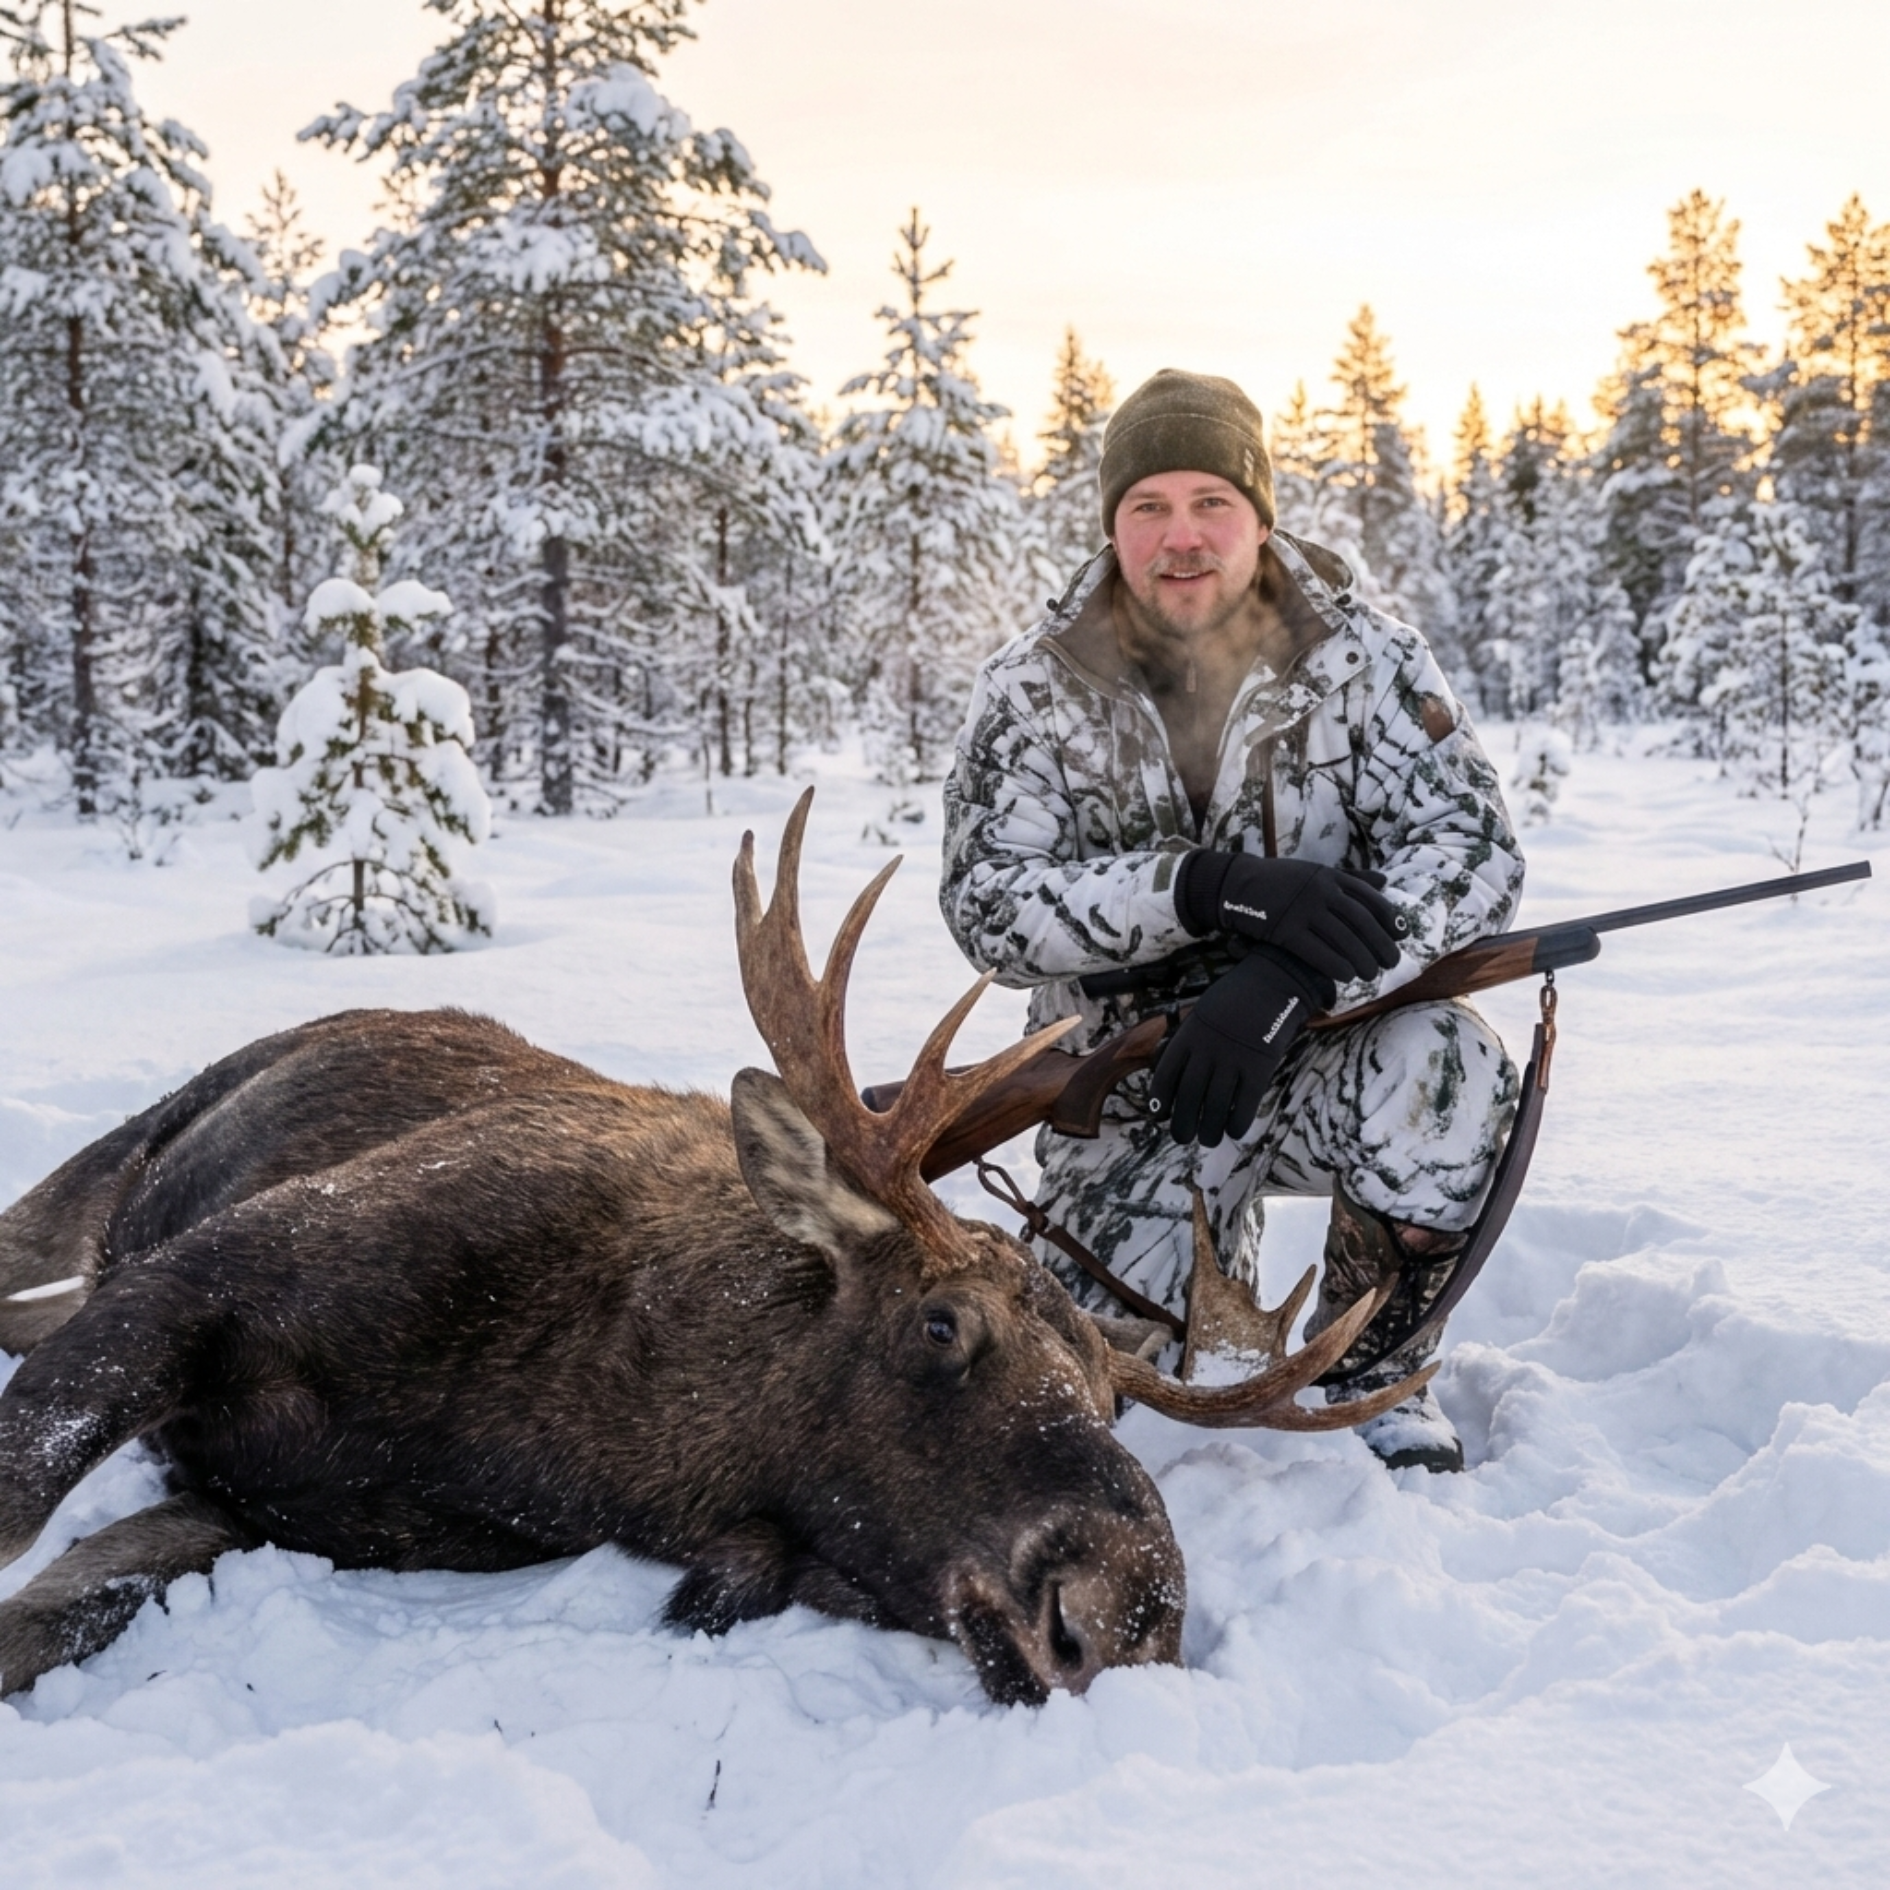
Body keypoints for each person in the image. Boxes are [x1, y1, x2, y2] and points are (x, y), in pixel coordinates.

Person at [939, 368, 1526, 1472]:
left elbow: (1472, 852)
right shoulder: (1031, 688)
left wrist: (1298, 982)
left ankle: (1373, 1373)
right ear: (1112, 527)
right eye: (1147, 507)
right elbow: (987, 903)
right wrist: (1196, 891)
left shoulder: (1368, 663)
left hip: (1318, 1055)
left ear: (1261, 516)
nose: (1182, 538)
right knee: (1104, 1386)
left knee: (1445, 1068)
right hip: (1126, 1083)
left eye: (1212, 502)